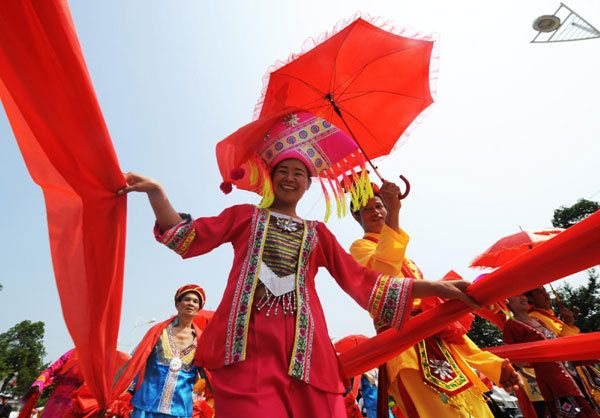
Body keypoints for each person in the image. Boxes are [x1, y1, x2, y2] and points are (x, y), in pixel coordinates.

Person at [119, 111, 481, 418]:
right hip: (245, 350)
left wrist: (436, 287)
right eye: (283, 171)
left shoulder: (318, 234)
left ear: (309, 184)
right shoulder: (244, 217)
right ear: (271, 178)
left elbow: (365, 282)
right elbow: (187, 238)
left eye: (299, 173)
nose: (290, 177)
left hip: (306, 354)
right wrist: (156, 193)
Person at [349, 184, 521, 418]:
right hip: (404, 345)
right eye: (367, 209)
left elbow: (445, 327)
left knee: (477, 410)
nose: (376, 211)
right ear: (356, 217)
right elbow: (385, 277)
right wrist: (395, 212)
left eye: (380, 206)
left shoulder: (407, 261)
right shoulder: (360, 248)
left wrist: (494, 366)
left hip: (437, 342)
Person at [504, 293, 600, 417]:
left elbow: (559, 346)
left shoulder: (537, 320)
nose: (523, 298)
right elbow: (510, 356)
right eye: (516, 296)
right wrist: (532, 361)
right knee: (572, 410)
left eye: (523, 295)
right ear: (507, 302)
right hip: (552, 377)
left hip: (571, 371)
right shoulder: (511, 325)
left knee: (587, 405)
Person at [127, 284, 205, 418]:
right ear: (177, 304)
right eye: (187, 299)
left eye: (195, 301)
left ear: (199, 309)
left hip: (180, 411)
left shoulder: (202, 341)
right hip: (146, 408)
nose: (191, 303)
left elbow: (210, 375)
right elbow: (133, 362)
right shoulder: (157, 333)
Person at [526, 286, 600, 410]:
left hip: (582, 370)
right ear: (529, 298)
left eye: (545, 290)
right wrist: (569, 324)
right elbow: (557, 346)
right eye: (539, 292)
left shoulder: (548, 316)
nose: (546, 294)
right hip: (570, 375)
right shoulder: (534, 318)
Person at [20, 349, 82, 418]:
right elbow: (50, 371)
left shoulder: (94, 357)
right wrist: (39, 383)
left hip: (77, 405)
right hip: (54, 403)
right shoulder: (72, 353)